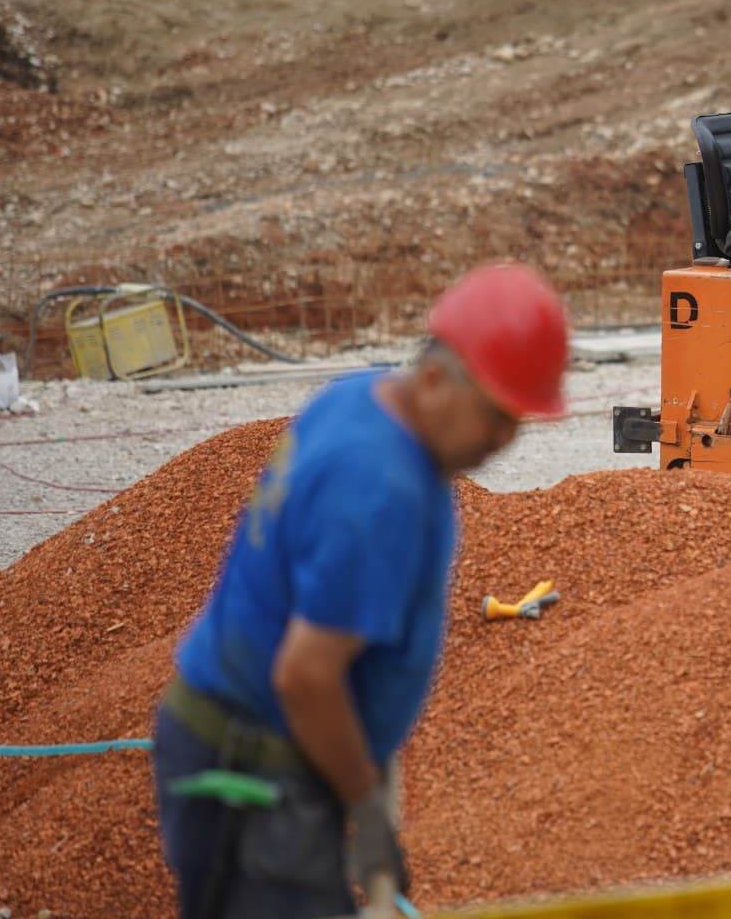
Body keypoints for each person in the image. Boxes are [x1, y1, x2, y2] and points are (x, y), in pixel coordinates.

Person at [152, 263, 569, 918]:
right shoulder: (377, 492)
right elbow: (307, 677)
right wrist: (365, 804)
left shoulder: (364, 398)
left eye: (517, 420)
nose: (504, 440)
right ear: (435, 380)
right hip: (250, 775)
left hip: (259, 752)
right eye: (496, 415)